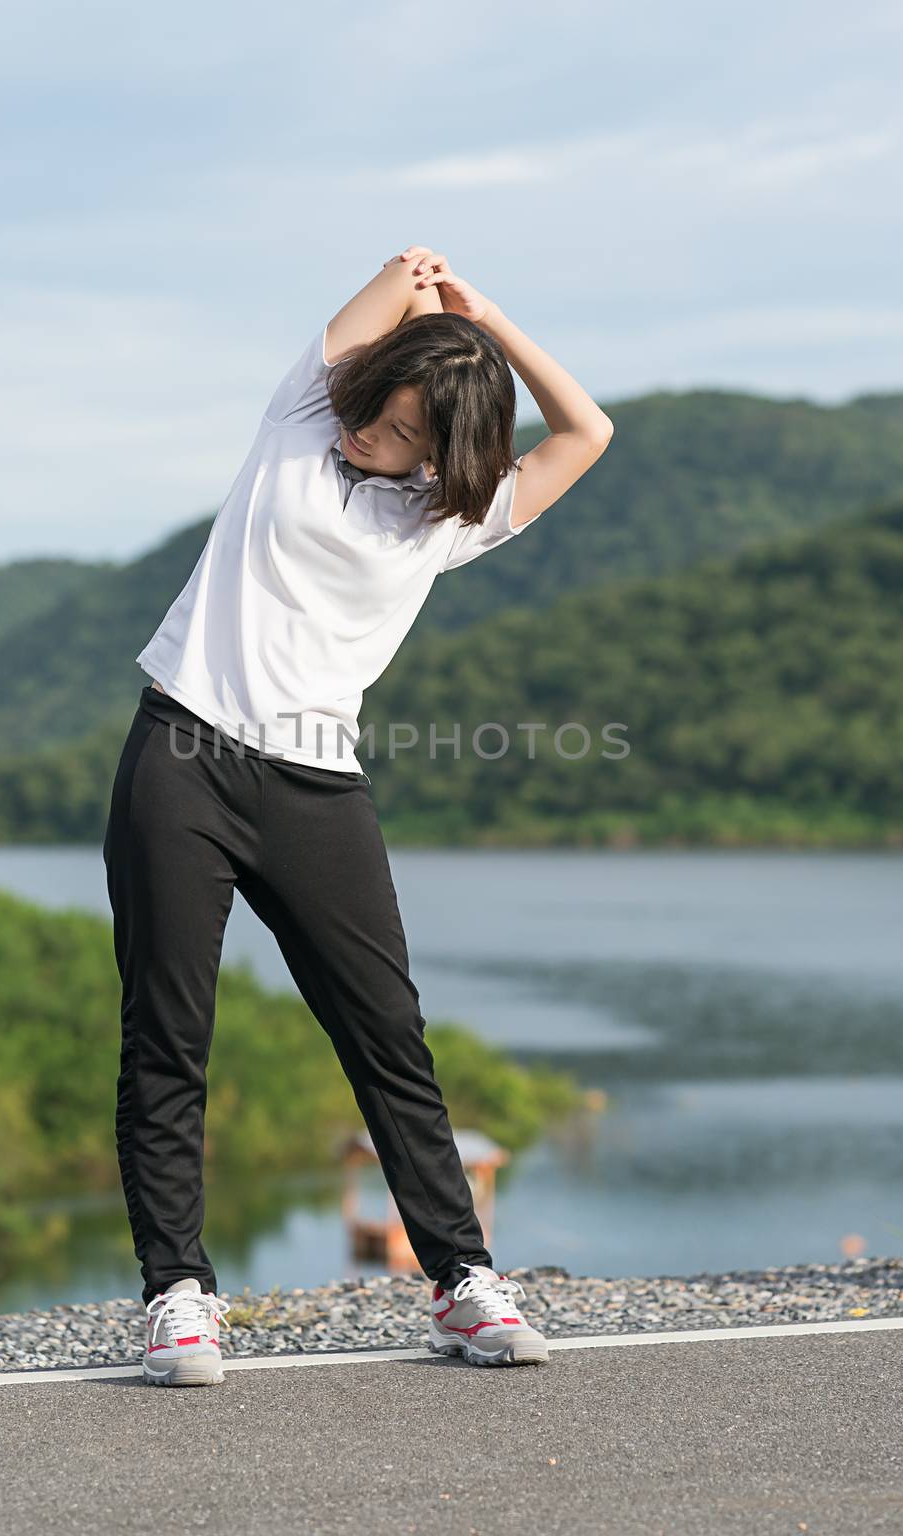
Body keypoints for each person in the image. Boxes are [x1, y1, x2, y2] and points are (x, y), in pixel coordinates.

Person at [102, 246, 614, 1386]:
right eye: (365, 411)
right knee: (167, 1034)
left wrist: (498, 327)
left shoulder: (451, 518)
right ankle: (178, 1295)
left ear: (438, 454)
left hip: (315, 788)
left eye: (388, 431)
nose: (358, 435)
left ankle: (462, 1281)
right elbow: (403, 269)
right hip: (181, 754)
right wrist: (437, 303)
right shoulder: (299, 418)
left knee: (387, 1039)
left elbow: (586, 433)